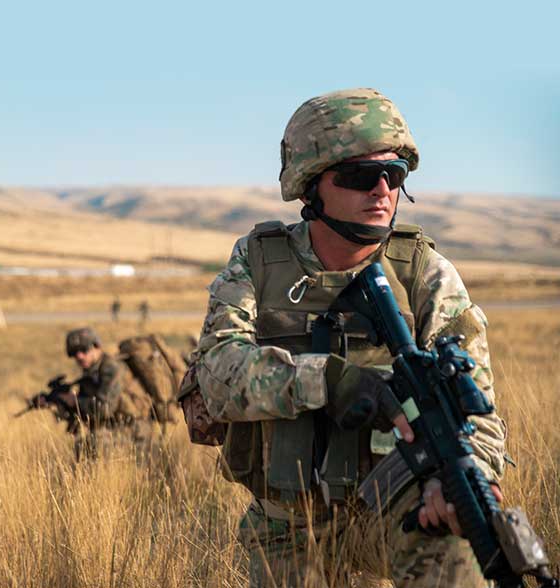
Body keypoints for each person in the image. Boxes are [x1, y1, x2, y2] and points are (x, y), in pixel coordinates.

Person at [186, 88, 506, 586]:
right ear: (311, 186)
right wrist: (332, 382)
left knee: (460, 555)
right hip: (288, 524)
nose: (382, 190)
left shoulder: (426, 273)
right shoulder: (258, 262)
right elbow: (217, 373)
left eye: (394, 174)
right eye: (360, 176)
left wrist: (465, 477)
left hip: (397, 505)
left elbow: (480, 413)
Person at [60, 326, 153, 459]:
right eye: (74, 353)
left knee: (95, 442)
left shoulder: (111, 368)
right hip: (117, 427)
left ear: (96, 347)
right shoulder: (92, 371)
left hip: (134, 429)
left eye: (84, 350)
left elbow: (105, 408)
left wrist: (74, 401)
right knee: (82, 445)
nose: (79, 356)